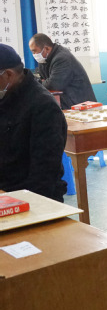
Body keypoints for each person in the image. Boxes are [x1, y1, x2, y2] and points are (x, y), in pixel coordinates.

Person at [0, 43, 67, 202]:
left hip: (31, 198)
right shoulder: (5, 96)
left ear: (8, 75)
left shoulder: (43, 106)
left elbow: (44, 173)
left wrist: (16, 203)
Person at [29, 33, 96, 109]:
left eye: (34, 51)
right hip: (67, 103)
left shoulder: (62, 58)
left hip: (80, 104)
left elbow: (54, 85)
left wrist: (41, 82)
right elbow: (42, 79)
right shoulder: (43, 59)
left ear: (46, 49)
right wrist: (44, 82)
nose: (34, 54)